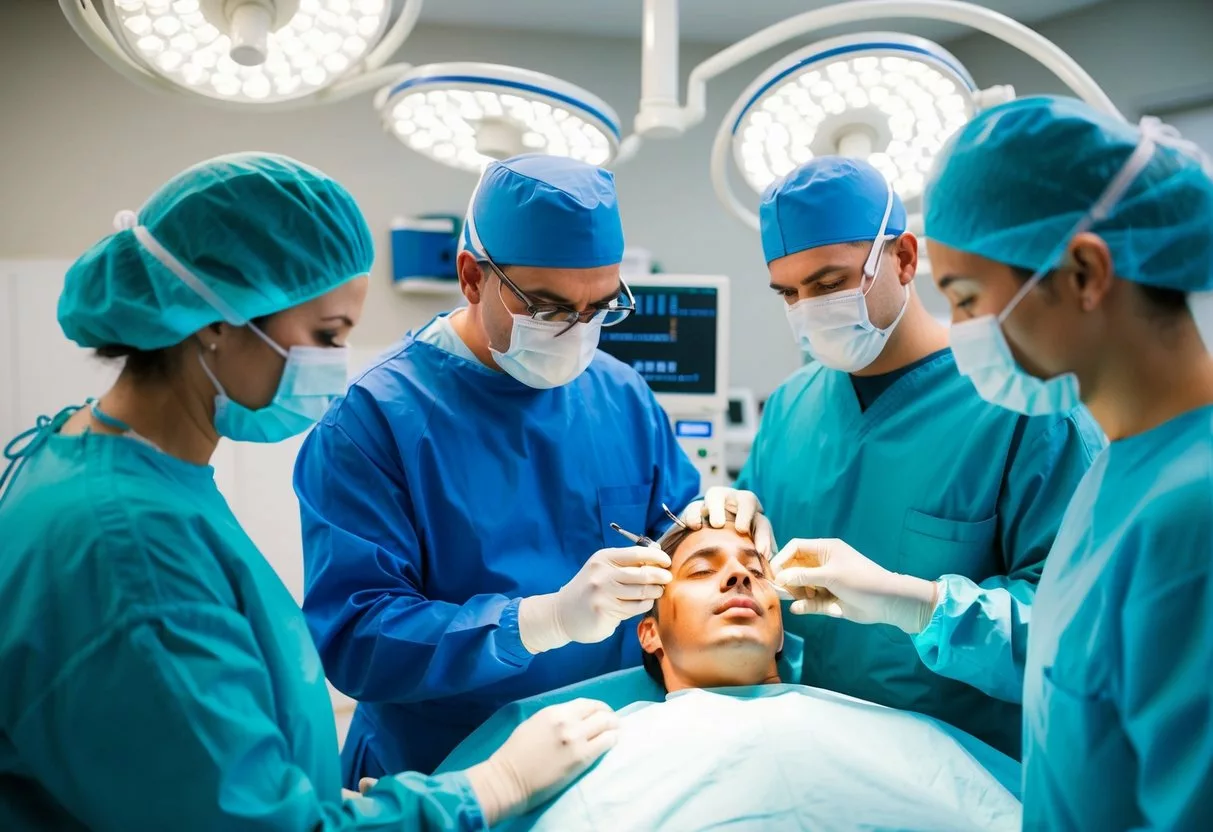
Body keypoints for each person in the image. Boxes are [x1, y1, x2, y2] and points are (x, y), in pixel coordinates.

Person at [0, 153, 617, 832]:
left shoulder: (110, 468)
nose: (337, 363)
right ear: (216, 322)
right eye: (326, 335)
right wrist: (488, 786)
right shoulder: (128, 548)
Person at [294, 153, 704, 782]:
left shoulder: (620, 396)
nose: (575, 332)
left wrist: (710, 527)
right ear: (470, 276)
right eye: (547, 308)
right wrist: (541, 622)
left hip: (612, 763)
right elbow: (361, 640)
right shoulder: (372, 423)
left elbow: (674, 531)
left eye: (598, 308)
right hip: (445, 774)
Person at [684, 156, 1105, 758]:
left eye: (828, 284)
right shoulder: (789, 407)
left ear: (905, 259)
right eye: (789, 293)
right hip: (808, 762)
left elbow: (1080, 637)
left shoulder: (1026, 406)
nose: (807, 310)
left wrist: (924, 607)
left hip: (966, 780)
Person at [919, 95, 1213, 828]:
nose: (958, 335)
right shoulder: (1120, 470)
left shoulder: (1193, 519)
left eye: (964, 298)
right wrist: (910, 603)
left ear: (1083, 272)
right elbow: (1082, 667)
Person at [438, 513, 1023, 831]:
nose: (739, 578)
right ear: (649, 629)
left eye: (753, 568)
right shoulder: (576, 751)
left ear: (780, 613)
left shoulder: (906, 737)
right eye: (700, 571)